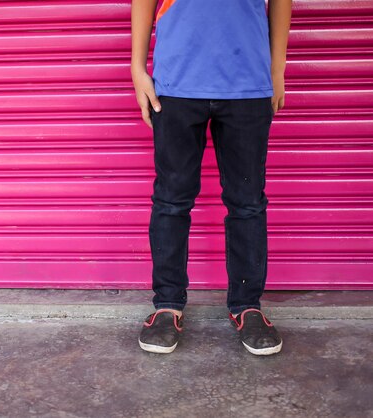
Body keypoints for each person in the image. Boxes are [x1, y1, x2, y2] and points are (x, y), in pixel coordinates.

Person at [131, 0, 292, 355]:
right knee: (171, 201)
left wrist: (277, 69)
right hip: (175, 84)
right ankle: (167, 305)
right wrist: (137, 68)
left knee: (247, 203)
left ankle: (247, 305)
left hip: (248, 82)